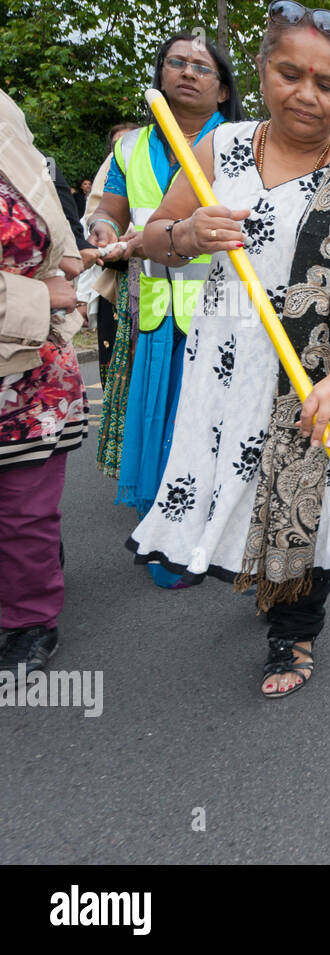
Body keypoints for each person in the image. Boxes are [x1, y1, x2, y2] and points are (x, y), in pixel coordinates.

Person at [126, 3, 330, 697]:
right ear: (262, 72)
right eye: (290, 74)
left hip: (321, 370)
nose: (307, 94)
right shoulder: (219, 150)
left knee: (304, 492)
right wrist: (188, 234)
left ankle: (294, 629)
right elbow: (151, 237)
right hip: (228, 363)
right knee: (245, 485)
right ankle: (269, 583)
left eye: (327, 83)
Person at [88, 31, 246, 589]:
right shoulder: (129, 147)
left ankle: (218, 528)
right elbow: (108, 207)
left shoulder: (238, 142)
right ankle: (166, 532)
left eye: (201, 67)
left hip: (223, 301)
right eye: (175, 62)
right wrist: (105, 230)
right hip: (154, 300)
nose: (186, 72)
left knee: (214, 420)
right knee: (160, 418)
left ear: (223, 87)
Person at [0, 90, 87, 677]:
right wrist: (32, 296)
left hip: (26, 363)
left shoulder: (4, 114)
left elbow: (50, 225)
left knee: (23, 508)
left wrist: (66, 270)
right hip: (26, 314)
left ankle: (29, 616)